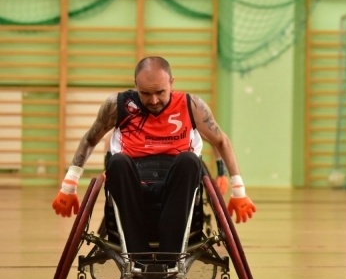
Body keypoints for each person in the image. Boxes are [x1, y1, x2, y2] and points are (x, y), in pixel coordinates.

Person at [51, 56, 256, 258]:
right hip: (133, 181)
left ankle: (171, 255)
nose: (154, 100)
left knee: (190, 160)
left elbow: (221, 141)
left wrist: (238, 191)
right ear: (136, 85)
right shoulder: (118, 105)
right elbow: (89, 140)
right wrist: (69, 185)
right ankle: (136, 254)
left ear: (171, 83)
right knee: (117, 161)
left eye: (160, 92)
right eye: (146, 93)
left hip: (176, 183)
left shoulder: (191, 105)